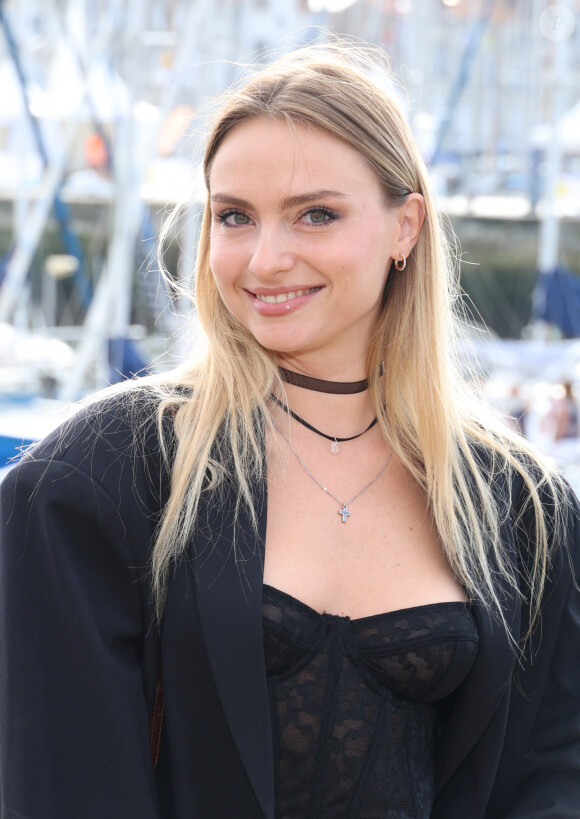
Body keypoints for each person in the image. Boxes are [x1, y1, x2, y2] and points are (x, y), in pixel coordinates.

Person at [1, 42, 579, 819]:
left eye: (316, 214)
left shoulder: (522, 508)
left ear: (405, 225)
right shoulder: (95, 480)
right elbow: (62, 783)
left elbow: (549, 771)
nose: (266, 259)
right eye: (234, 216)